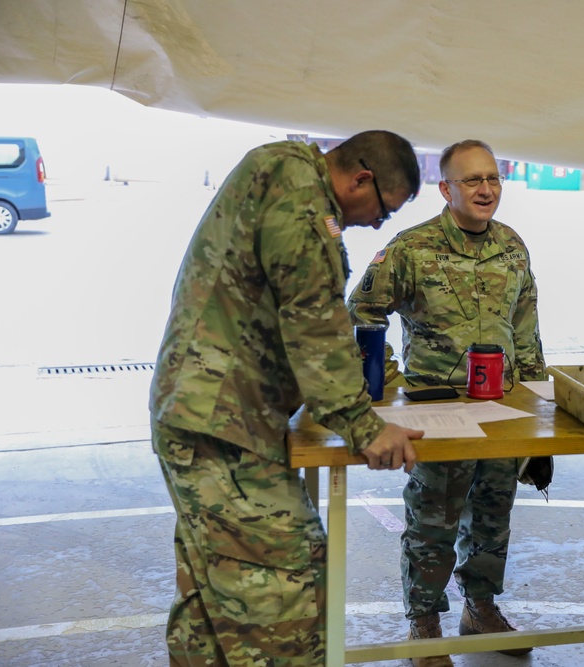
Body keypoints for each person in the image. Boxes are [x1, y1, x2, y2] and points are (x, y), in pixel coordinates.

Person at [149, 131, 426, 666]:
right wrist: (364, 427)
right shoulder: (304, 202)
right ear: (360, 178)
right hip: (222, 423)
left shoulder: (281, 166)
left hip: (205, 412)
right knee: (283, 586)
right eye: (382, 211)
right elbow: (313, 322)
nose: (375, 224)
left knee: (214, 586)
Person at [348, 139, 545, 667]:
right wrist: (387, 381)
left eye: (493, 180)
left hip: (503, 409)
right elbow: (362, 310)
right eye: (472, 181)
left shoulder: (512, 246)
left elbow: (525, 329)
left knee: (492, 513)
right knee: (433, 517)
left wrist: (538, 413)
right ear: (446, 189)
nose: (485, 190)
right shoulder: (413, 248)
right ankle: (424, 621)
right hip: (438, 412)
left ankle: (480, 607)